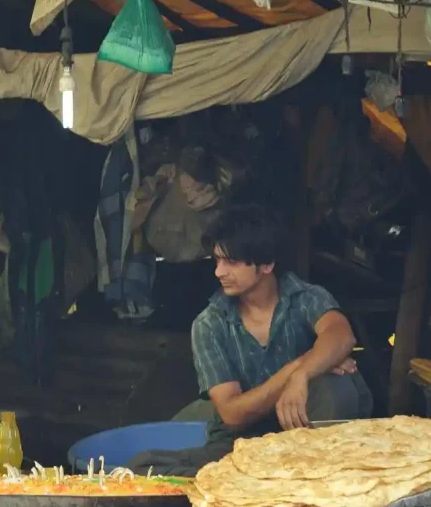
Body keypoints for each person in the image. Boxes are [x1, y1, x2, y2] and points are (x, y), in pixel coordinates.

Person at [130, 204, 373, 476]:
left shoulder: (306, 298)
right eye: (217, 261)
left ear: (266, 265)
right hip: (241, 443)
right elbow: (232, 414)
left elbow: (341, 336)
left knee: (335, 387)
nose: (218, 272)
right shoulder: (210, 323)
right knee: (144, 468)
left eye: (231, 262)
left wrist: (306, 373)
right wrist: (299, 369)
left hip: (307, 443)